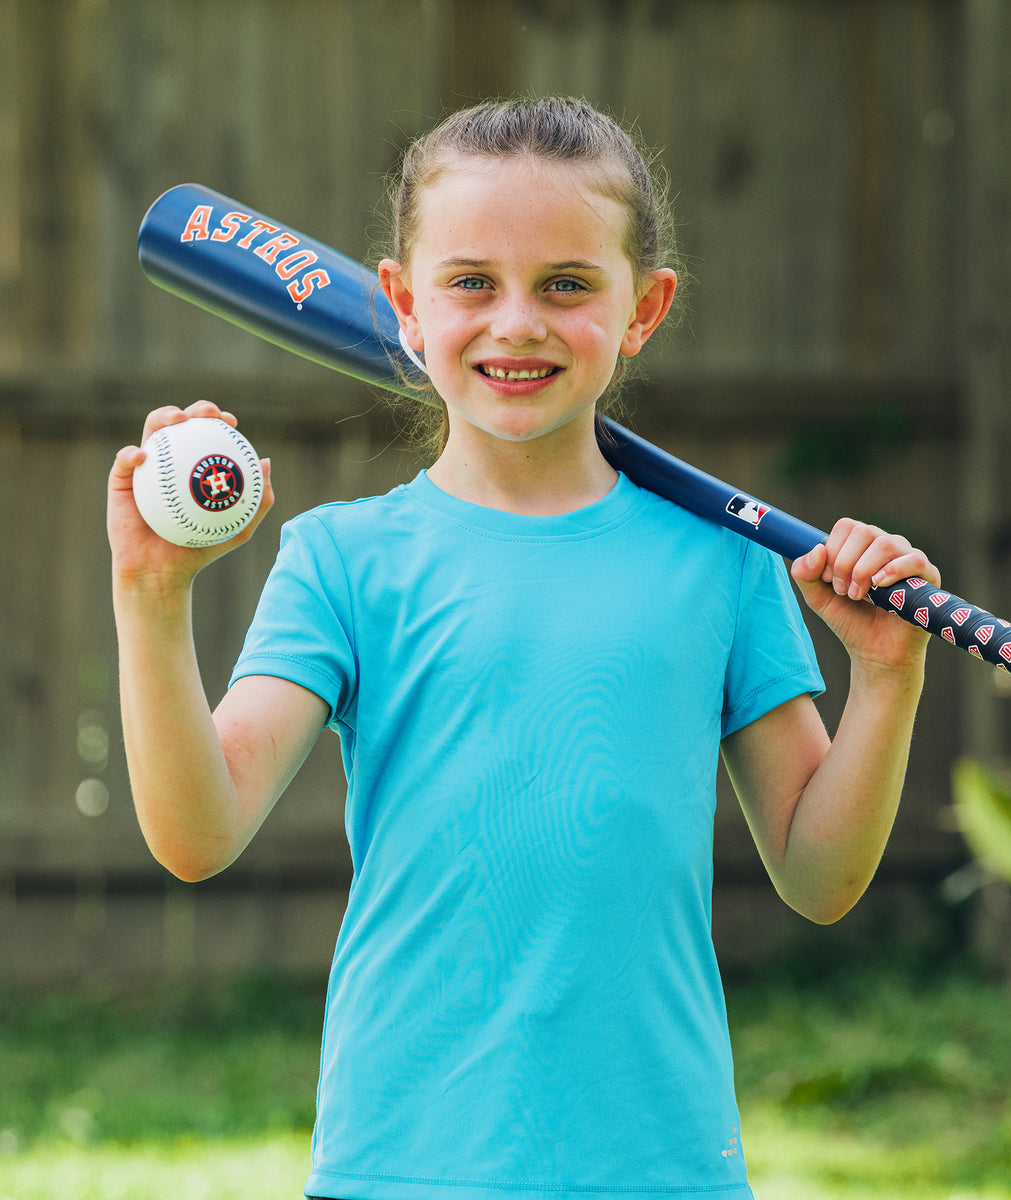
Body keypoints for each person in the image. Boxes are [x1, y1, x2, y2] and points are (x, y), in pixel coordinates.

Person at [108, 96, 939, 1200]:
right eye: (470, 283)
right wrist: (150, 599)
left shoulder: (721, 564)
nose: (517, 323)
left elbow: (820, 877)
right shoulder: (344, 561)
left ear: (643, 309)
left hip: (661, 1165)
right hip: (401, 1165)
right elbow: (198, 833)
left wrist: (885, 678)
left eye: (565, 284)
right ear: (401, 302)